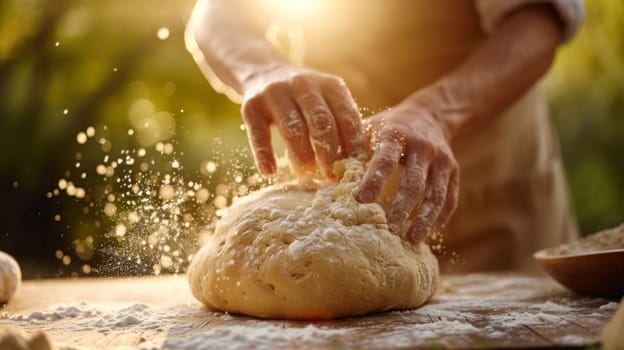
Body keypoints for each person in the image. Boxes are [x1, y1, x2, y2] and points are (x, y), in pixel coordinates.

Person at [185, 0, 584, 272]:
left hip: (492, 192)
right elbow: (217, 14)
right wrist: (263, 70)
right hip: (336, 202)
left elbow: (538, 20)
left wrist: (437, 111)